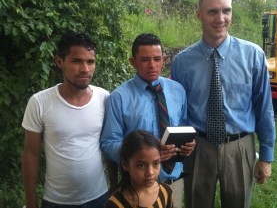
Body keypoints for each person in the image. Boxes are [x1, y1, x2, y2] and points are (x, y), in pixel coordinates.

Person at [171, 0, 276, 208]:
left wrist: (266, 156)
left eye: (226, 11)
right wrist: (178, 149)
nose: (221, 18)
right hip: (197, 147)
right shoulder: (182, 62)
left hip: (239, 147)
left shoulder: (253, 55)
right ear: (198, 14)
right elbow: (178, 112)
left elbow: (263, 108)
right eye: (212, 12)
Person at [100, 33, 196, 208]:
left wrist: (187, 144)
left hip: (174, 182)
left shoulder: (177, 91)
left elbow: (182, 126)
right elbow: (109, 144)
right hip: (137, 188)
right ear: (132, 62)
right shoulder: (119, 98)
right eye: (144, 60)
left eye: (157, 59)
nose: (152, 65)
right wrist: (147, 152)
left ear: (164, 60)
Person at [21, 31, 109, 208]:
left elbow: (110, 145)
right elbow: (31, 153)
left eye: (90, 62)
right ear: (59, 62)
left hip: (100, 198)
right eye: (77, 61)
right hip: (56, 201)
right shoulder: (40, 102)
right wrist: (31, 201)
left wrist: (115, 188)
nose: (85, 69)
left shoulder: (104, 98)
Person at [105, 130, 173, 208]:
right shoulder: (115, 204)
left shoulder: (166, 192)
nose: (150, 172)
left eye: (156, 163)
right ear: (125, 164)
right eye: (141, 165)